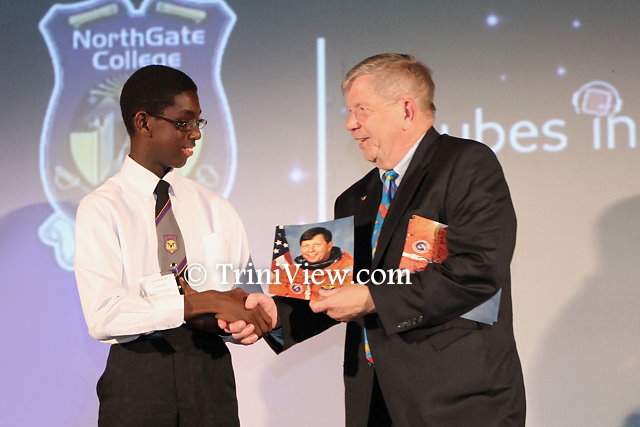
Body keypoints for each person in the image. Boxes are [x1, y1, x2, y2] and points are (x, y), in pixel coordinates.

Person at [234, 53, 526, 426]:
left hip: (456, 399)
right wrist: (278, 314)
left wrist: (373, 297)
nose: (350, 124)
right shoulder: (355, 197)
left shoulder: (465, 164)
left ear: (406, 110)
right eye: (349, 111)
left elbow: (478, 269)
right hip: (374, 398)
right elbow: (339, 285)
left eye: (362, 110)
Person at [74, 64, 273, 426]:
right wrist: (197, 302)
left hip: (211, 378)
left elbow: (244, 296)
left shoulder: (216, 208)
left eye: (198, 122)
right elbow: (104, 315)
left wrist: (244, 321)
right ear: (144, 123)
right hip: (138, 379)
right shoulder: (102, 208)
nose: (195, 133)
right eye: (183, 122)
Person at [270, 227, 354, 300]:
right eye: (306, 246)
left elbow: (349, 300)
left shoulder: (347, 269)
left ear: (329, 246)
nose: (311, 250)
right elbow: (275, 299)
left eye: (317, 245)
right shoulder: (290, 272)